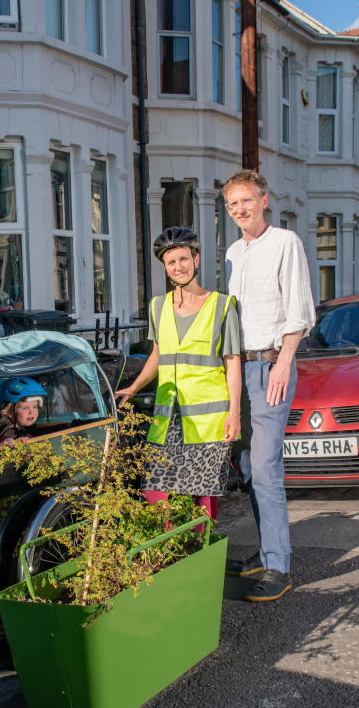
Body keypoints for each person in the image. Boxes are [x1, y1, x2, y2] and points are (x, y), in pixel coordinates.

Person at [222, 169, 316, 602]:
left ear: (263, 200)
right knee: (246, 466)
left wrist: (283, 362)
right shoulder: (233, 253)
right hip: (239, 370)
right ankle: (264, 551)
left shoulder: (285, 243)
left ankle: (278, 566)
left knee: (265, 469)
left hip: (271, 366)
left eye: (246, 201)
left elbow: (298, 308)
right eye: (232, 205)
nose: (239, 210)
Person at [116, 226, 242, 522]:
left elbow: (233, 361)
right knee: (155, 489)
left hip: (209, 419)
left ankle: (201, 555)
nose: (178, 267)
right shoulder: (158, 306)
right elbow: (158, 355)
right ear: (165, 267)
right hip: (168, 414)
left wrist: (234, 412)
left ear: (196, 260)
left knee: (202, 495)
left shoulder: (222, 306)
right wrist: (132, 389)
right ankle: (168, 554)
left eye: (184, 259)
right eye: (171, 262)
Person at [0, 377, 47, 450]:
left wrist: (27, 443)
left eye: (35, 407)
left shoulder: (37, 432)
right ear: (7, 411)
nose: (32, 412)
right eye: (25, 408)